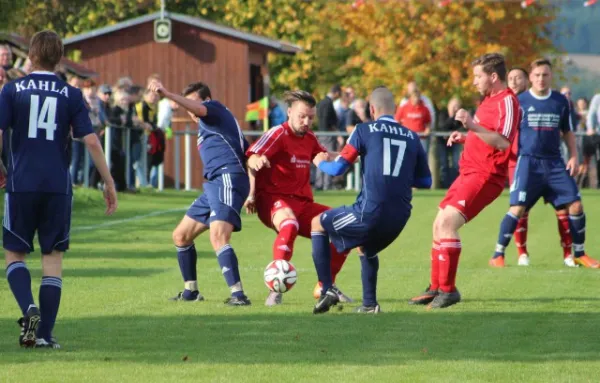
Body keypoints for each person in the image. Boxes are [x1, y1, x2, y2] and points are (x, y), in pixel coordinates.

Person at [0, 30, 117, 349]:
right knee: (52, 258)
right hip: (57, 186)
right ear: (58, 57)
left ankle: (29, 310)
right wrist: (108, 181)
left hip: (21, 184)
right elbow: (90, 140)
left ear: (32, 56)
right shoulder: (70, 94)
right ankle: (45, 334)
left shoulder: (12, 90)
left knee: (15, 255)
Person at [408, 53, 521, 309]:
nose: (473, 81)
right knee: (438, 223)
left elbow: (503, 142)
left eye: (477, 76)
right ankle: (436, 287)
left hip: (485, 175)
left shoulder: (508, 102)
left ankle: (448, 291)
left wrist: (471, 125)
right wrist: (467, 136)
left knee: (448, 223)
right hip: (468, 172)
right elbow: (486, 136)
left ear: (493, 77)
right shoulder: (488, 101)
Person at [309, 86, 431, 314]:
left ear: (372, 109)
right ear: (394, 109)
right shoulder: (413, 137)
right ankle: (369, 305)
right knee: (366, 248)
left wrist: (319, 163)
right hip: (400, 217)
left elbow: (337, 169)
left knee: (317, 223)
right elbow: (425, 181)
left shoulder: (364, 130)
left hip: (370, 211)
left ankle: (326, 289)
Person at [148, 80, 252, 305]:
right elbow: (248, 151)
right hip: (215, 183)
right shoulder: (213, 125)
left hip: (227, 178)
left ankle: (238, 295)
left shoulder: (214, 108)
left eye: (192, 103)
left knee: (218, 236)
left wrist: (167, 94)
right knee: (181, 236)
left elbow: (200, 109)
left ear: (206, 100)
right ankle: (191, 291)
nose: (190, 109)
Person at [244, 90, 353, 307]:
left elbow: (322, 156)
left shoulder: (310, 138)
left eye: (311, 117)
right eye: (302, 116)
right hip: (272, 200)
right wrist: (250, 193)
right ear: (290, 112)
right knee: (289, 224)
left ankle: (325, 286)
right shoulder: (278, 133)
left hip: (303, 203)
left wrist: (350, 156)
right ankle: (275, 290)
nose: (306, 121)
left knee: (346, 227)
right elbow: (252, 157)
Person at [490, 58, 599, 269]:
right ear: (530, 77)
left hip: (555, 163)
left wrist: (574, 156)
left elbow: (567, 132)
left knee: (575, 204)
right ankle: (498, 254)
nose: (541, 79)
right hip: (527, 162)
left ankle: (579, 253)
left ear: (551, 77)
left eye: (545, 75)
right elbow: (504, 133)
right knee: (518, 207)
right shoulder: (519, 101)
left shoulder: (560, 101)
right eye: (537, 75)